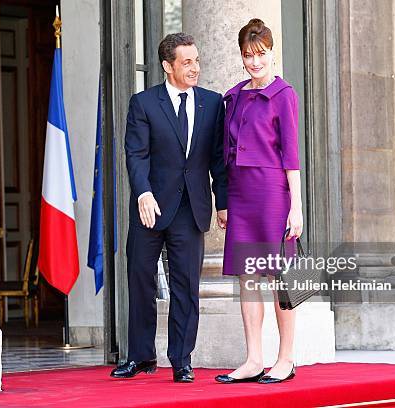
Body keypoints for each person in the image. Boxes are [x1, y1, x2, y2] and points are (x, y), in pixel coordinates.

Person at [110, 33, 228, 383]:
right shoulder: (144, 103)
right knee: (140, 280)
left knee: (185, 285)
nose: (195, 68)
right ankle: (141, 356)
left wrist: (223, 202)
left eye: (197, 60)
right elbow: (136, 154)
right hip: (151, 207)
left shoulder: (212, 103)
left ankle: (181, 359)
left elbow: (218, 161)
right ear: (168, 65)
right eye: (187, 62)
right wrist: (143, 193)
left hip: (190, 207)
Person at [214, 18, 303, 385]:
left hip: (273, 196)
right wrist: (223, 202)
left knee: (280, 278)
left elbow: (292, 156)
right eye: (248, 55)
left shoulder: (284, 95)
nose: (254, 62)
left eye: (261, 54)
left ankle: (286, 359)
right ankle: (253, 359)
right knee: (248, 278)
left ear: (271, 53)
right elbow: (223, 154)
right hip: (240, 195)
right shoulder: (232, 97)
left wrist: (296, 207)